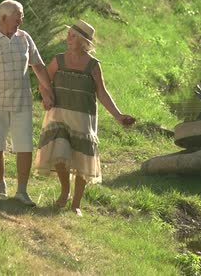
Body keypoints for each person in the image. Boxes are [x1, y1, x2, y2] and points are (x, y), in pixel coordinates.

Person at [35, 19, 135, 216]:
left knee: (82, 160)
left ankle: (76, 204)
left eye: (73, 37)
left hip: (83, 118)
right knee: (59, 152)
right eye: (69, 35)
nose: (68, 39)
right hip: (59, 115)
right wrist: (46, 96)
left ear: (83, 42)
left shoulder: (93, 65)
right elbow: (43, 81)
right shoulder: (58, 60)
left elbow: (102, 93)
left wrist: (118, 116)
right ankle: (65, 192)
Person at [0, 0, 54, 206]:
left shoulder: (24, 38)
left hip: (22, 101)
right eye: (19, 16)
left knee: (24, 145)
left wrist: (48, 92)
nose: (21, 20)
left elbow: (39, 66)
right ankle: (0, 184)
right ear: (4, 18)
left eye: (21, 15)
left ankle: (22, 191)